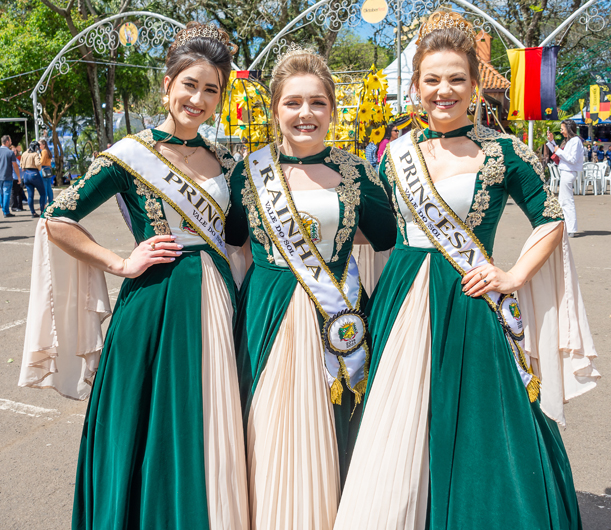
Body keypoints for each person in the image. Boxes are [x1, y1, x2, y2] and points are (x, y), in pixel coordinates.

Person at [335, 11, 598, 530]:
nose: (444, 91)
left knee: (480, 418)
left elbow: (550, 219)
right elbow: (381, 230)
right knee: (400, 419)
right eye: (432, 80)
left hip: (471, 302)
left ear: (475, 85)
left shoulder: (506, 151)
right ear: (416, 87)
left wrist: (513, 276)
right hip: (400, 303)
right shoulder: (395, 155)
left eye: (456, 79)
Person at [19, 22, 249, 529]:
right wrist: (119, 262)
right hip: (154, 305)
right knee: (148, 422)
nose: (198, 99)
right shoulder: (129, 155)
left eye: (211, 90)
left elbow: (238, 236)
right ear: (168, 84)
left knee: (206, 418)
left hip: (216, 304)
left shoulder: (226, 160)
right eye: (190, 84)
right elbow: (57, 218)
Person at [227, 48, 396, 530]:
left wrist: (333, 238)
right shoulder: (247, 172)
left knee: (338, 418)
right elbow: (234, 237)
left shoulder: (356, 170)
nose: (306, 114)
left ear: (333, 110)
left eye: (318, 102)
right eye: (293, 102)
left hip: (337, 316)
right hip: (267, 314)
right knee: (266, 422)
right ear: (274, 109)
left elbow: (386, 235)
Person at [547, 120, 583, 237]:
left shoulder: (575, 141)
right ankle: (567, 227)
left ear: (568, 128)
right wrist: (552, 142)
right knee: (563, 200)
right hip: (566, 172)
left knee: (567, 201)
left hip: (568, 172)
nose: (561, 131)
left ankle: (571, 228)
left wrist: (558, 151)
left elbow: (572, 159)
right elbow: (560, 153)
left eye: (562, 129)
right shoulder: (571, 141)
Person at [20, 141, 46, 218]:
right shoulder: (35, 154)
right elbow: (38, 164)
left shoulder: (24, 153)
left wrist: (24, 167)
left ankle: (33, 213)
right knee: (43, 193)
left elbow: (21, 164)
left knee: (30, 195)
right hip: (34, 173)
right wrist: (39, 168)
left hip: (26, 174)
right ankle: (42, 211)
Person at [0, 135, 20, 218]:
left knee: (1, 194)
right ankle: (6, 211)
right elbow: (15, 165)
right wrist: (18, 177)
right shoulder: (10, 152)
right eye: (10, 140)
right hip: (7, 176)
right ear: (7, 141)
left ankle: (3, 208)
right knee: (6, 194)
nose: (11, 142)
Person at [38, 139, 53, 207]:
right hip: (48, 169)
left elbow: (42, 162)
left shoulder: (43, 151)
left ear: (44, 145)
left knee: (44, 188)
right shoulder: (48, 151)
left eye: (40, 144)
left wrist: (38, 159)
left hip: (43, 169)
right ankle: (51, 202)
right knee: (49, 187)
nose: (39, 146)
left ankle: (44, 204)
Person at [10, 145, 24, 211]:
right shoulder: (12, 159)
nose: (15, 152)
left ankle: (19, 206)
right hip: (14, 177)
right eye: (13, 151)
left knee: (19, 192)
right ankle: (14, 206)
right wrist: (22, 168)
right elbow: (15, 168)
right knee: (14, 193)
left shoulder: (16, 159)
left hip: (18, 177)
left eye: (15, 151)